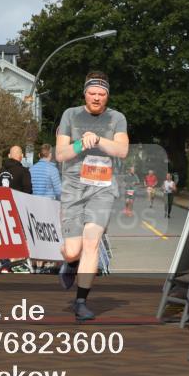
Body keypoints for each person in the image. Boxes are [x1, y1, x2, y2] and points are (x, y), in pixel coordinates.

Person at [55, 70, 130, 322]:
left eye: (101, 94)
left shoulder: (116, 118)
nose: (96, 98)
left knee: (92, 243)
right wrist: (80, 144)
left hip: (102, 188)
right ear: (84, 93)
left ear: (107, 96)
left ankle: (81, 301)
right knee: (72, 250)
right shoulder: (70, 115)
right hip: (74, 189)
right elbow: (60, 154)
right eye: (92, 93)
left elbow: (121, 150)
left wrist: (98, 140)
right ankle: (71, 263)